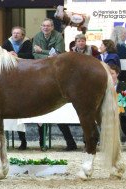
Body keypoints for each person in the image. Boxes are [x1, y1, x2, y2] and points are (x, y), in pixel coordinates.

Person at [32, 18, 77, 151]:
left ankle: (70, 141)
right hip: (40, 69)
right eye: (43, 26)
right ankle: (41, 143)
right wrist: (47, 57)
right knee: (40, 113)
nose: (45, 28)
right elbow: (34, 54)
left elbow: (59, 54)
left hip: (56, 71)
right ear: (41, 27)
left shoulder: (58, 36)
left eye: (48, 26)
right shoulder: (37, 37)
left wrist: (42, 52)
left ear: (52, 27)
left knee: (59, 113)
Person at [2, 26, 33, 150]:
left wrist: (17, 54)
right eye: (13, 33)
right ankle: (20, 140)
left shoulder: (27, 43)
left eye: (18, 33)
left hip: (24, 75)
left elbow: (30, 56)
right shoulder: (6, 43)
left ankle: (34, 141)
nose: (15, 35)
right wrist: (8, 54)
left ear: (22, 35)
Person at [108, 64, 126, 151]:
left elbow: (124, 101)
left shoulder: (123, 85)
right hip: (107, 108)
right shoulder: (104, 85)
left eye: (112, 73)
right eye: (108, 73)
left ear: (117, 74)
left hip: (120, 108)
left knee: (122, 120)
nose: (110, 75)